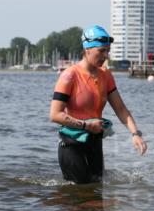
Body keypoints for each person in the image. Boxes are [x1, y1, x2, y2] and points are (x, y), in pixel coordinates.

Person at [49, 25, 146, 184]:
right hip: (72, 145)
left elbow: (121, 109)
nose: (105, 56)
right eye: (101, 51)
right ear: (87, 49)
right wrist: (86, 125)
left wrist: (135, 134)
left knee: (96, 193)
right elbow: (54, 115)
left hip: (95, 143)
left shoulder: (106, 75)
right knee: (79, 194)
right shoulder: (70, 75)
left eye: (107, 51)